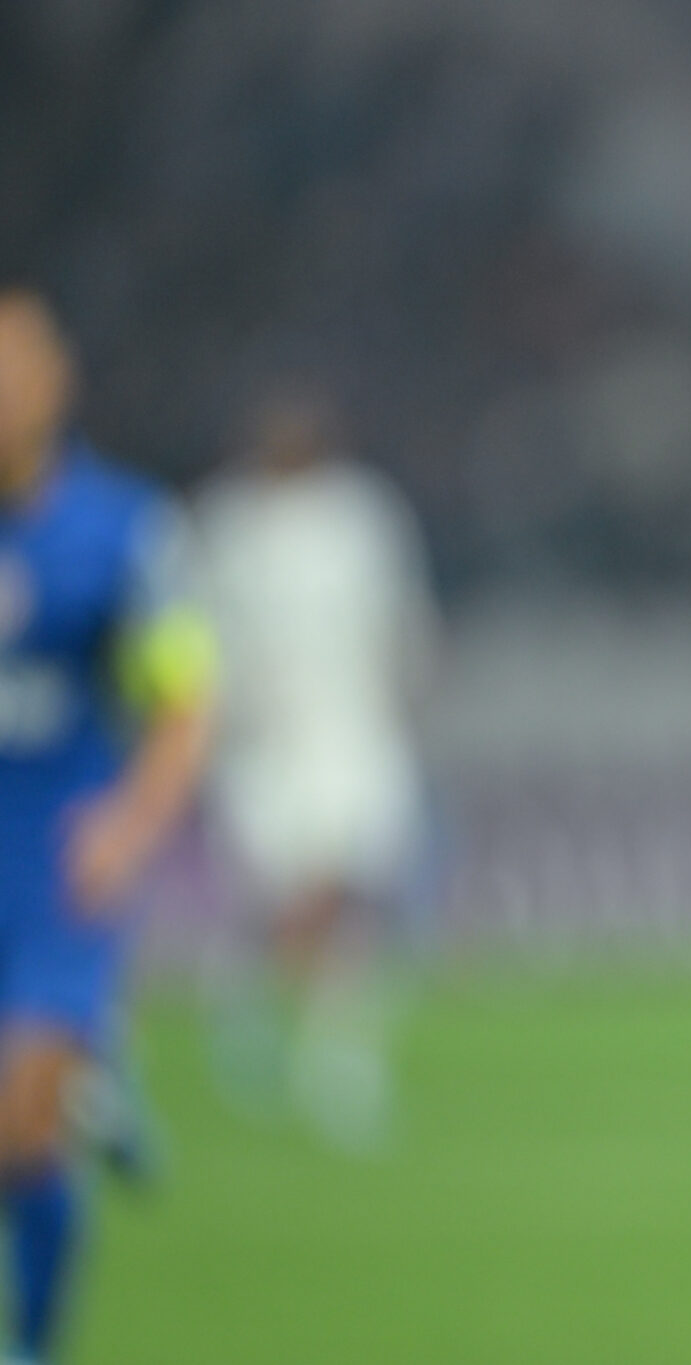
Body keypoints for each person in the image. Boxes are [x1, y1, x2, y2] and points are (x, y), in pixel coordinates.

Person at [0, 288, 215, 1365]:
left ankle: (33, 1344)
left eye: (13, 370)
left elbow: (184, 699)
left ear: (55, 384)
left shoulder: (123, 530)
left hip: (58, 863)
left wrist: (130, 827)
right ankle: (96, 1081)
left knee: (16, 1124)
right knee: (22, 1137)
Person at [194, 383, 435, 1154]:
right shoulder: (229, 524)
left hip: (353, 733)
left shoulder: (362, 515)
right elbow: (199, 635)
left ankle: (339, 1057)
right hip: (264, 745)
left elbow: (400, 619)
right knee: (284, 905)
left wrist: (411, 691)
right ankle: (247, 1015)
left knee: (351, 896)